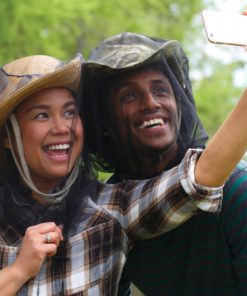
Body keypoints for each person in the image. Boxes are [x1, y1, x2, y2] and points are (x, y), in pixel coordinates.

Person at [0, 54, 227, 296]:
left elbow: (199, 178)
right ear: (7, 136)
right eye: (42, 115)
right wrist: (18, 271)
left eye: (70, 113)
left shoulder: (112, 208)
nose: (61, 128)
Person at [82, 32, 247, 295]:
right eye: (129, 96)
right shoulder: (107, 212)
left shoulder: (237, 191)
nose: (151, 103)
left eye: (160, 90)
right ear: (105, 125)